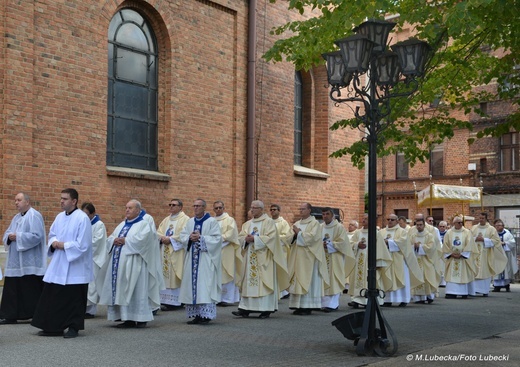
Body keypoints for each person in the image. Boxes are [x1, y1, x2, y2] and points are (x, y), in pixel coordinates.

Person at [31, 188, 93, 338]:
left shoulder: (82, 218)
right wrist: (54, 243)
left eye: (65, 199)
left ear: (74, 201)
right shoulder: (59, 217)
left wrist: (63, 245)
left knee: (74, 298)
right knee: (55, 296)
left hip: (76, 266)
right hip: (59, 263)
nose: (61, 201)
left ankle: (73, 327)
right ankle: (54, 327)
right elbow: (52, 234)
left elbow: (83, 244)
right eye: (61, 198)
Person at [97, 199, 162, 328]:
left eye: (130, 208)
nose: (127, 210)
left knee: (137, 290)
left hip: (135, 264)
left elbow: (144, 241)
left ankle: (141, 318)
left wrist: (125, 240)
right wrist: (114, 240)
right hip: (119, 265)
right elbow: (110, 238)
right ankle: (127, 318)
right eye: (126, 207)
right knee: (123, 290)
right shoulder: (122, 225)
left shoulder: (143, 224)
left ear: (138, 210)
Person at [232, 201, 288, 319]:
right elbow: (240, 237)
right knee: (248, 282)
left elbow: (272, 238)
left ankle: (265, 309)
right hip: (249, 257)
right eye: (251, 208)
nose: (252, 210)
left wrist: (255, 239)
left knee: (263, 283)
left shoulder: (269, 222)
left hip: (264, 258)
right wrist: (245, 240)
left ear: (261, 209)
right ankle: (245, 309)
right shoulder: (247, 224)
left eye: (255, 208)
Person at [1, 192, 46, 325]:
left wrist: (18, 237)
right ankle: (10, 315)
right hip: (15, 260)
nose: (16, 203)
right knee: (12, 287)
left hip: (30, 260)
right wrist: (9, 237)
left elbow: (37, 236)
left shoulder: (34, 215)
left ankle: (34, 314)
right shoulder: (16, 217)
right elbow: (8, 232)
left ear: (27, 202)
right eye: (15, 200)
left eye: (19, 200)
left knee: (30, 288)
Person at [179, 199, 222, 324]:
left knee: (204, 286)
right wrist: (189, 238)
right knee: (193, 287)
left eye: (198, 206)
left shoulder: (211, 222)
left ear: (204, 207)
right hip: (191, 260)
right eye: (194, 206)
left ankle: (206, 315)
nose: (196, 208)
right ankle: (197, 314)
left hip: (205, 260)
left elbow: (217, 239)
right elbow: (182, 236)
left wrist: (201, 238)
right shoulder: (190, 222)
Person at [288, 203, 329, 315]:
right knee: (298, 280)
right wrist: (294, 236)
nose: (301, 211)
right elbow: (288, 238)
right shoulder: (297, 223)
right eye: (300, 209)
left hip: (309, 258)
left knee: (308, 280)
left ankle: (308, 306)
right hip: (298, 258)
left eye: (303, 209)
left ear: (309, 210)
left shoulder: (314, 223)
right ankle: (298, 305)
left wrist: (299, 233)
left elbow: (313, 238)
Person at [348, 214, 392, 308]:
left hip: (369, 261)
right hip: (358, 260)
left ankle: (367, 300)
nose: (363, 220)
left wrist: (378, 262)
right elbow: (350, 243)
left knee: (369, 280)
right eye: (363, 218)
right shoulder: (358, 232)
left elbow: (380, 248)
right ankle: (356, 299)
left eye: (366, 219)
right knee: (357, 279)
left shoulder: (375, 233)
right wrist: (357, 245)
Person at [380, 214, 423, 307]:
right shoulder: (382, 232)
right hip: (386, 260)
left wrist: (389, 242)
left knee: (402, 278)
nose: (390, 221)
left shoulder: (402, 232)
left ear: (397, 221)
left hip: (399, 259)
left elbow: (403, 243)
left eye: (392, 219)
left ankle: (403, 299)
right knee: (386, 278)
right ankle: (387, 300)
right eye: (388, 219)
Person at [157, 198, 190, 310]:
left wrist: (170, 239)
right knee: (165, 273)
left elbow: (185, 235)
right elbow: (159, 231)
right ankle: (165, 300)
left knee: (176, 274)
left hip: (177, 252)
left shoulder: (185, 219)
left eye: (174, 205)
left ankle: (177, 302)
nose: (171, 206)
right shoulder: (166, 219)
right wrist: (161, 238)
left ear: (180, 207)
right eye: (170, 204)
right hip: (165, 250)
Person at [320, 208, 355, 312]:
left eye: (327, 214)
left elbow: (344, 243)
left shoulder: (339, 227)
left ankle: (332, 305)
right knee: (323, 279)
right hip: (322, 257)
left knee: (333, 279)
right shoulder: (320, 227)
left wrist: (329, 244)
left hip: (335, 258)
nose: (325, 216)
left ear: (332, 216)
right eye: (323, 214)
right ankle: (322, 303)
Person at [81, 202, 108, 319]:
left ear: (93, 213)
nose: (85, 216)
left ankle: (91, 310)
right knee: (85, 283)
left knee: (92, 284)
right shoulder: (83, 224)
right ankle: (83, 307)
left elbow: (97, 242)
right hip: (84, 257)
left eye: (87, 214)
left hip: (94, 258)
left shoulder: (99, 224)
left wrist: (82, 246)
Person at [470, 212, 507, 296]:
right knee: (475, 270)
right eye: (480, 218)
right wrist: (475, 238)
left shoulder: (491, 229)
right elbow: (468, 238)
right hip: (475, 254)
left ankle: (484, 291)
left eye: (483, 218)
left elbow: (496, 241)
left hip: (486, 254)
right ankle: (474, 290)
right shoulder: (474, 228)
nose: (481, 220)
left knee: (485, 270)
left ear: (486, 218)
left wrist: (484, 240)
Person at [213, 201, 241, 306]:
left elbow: (231, 234)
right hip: (215, 251)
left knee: (227, 272)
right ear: (213, 209)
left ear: (224, 208)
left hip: (227, 250)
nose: (218, 209)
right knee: (216, 274)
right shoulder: (211, 221)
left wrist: (217, 240)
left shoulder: (229, 220)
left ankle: (228, 298)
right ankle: (217, 298)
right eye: (216, 208)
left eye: (220, 207)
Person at [442, 216, 479, 299]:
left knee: (463, 274)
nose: (460, 224)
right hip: (452, 258)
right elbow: (445, 244)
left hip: (462, 258)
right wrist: (450, 254)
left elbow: (470, 244)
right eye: (458, 222)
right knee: (452, 274)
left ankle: (463, 292)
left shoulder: (467, 232)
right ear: (454, 223)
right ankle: (450, 292)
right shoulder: (449, 233)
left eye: (461, 222)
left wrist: (462, 254)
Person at [409, 218, 441, 304]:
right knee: (417, 277)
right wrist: (414, 247)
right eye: (417, 225)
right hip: (416, 261)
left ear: (424, 225)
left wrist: (419, 247)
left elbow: (432, 247)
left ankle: (429, 296)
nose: (419, 227)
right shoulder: (413, 236)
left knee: (427, 278)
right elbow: (408, 247)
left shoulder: (429, 236)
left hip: (427, 260)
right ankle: (418, 298)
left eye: (420, 225)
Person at [270, 203, 293, 299]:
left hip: (281, 250)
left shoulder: (283, 223)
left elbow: (287, 236)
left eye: (274, 209)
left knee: (281, 269)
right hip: (271, 250)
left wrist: (274, 238)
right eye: (271, 209)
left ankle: (283, 291)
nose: (272, 211)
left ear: (279, 211)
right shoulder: (268, 222)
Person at [492, 219, 518, 292]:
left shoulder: (508, 233)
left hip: (505, 254)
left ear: (503, 226)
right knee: (497, 269)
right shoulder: (493, 234)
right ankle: (496, 286)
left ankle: (506, 285)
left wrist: (505, 243)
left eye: (499, 225)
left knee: (506, 270)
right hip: (496, 255)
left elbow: (512, 243)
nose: (498, 227)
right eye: (496, 225)